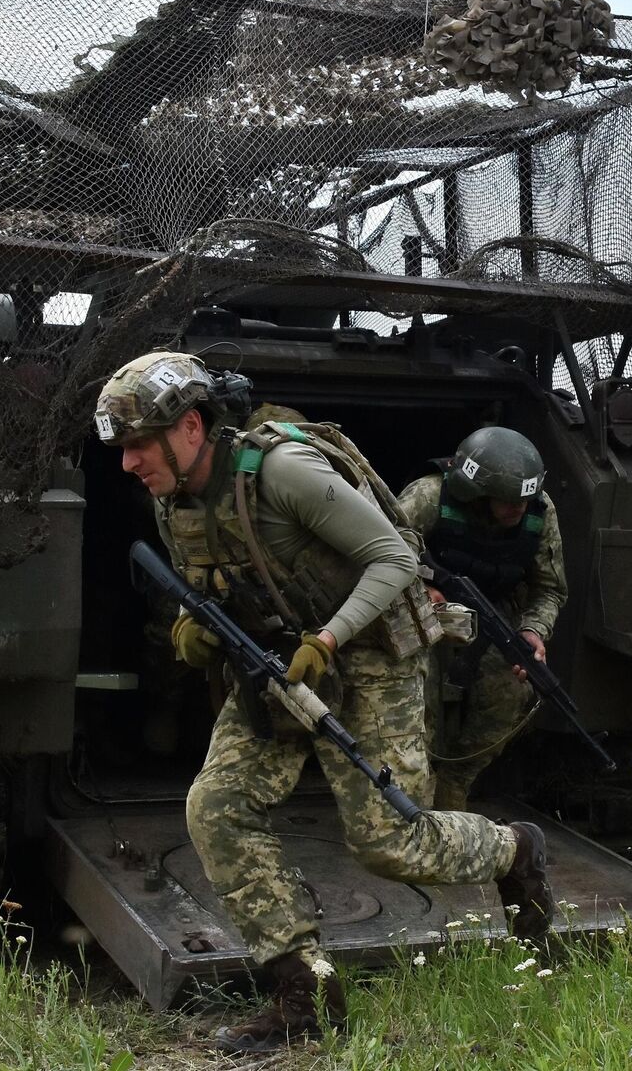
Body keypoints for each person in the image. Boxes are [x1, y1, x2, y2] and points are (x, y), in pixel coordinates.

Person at [94, 351, 555, 1052]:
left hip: (370, 655)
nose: (127, 463)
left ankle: (514, 851)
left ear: (190, 427)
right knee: (217, 807)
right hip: (278, 663)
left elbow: (395, 560)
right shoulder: (173, 497)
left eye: (136, 445)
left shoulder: (283, 472)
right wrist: (199, 624)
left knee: (387, 841)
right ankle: (304, 992)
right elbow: (218, 576)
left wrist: (330, 639)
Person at [397, 426, 569, 810]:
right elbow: (382, 549)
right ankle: (415, 796)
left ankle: (455, 784)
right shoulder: (428, 495)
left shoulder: (539, 511)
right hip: (417, 617)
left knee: (513, 691)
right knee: (417, 705)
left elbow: (549, 589)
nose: (518, 509)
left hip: (492, 618)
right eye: (506, 500)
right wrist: (418, 588)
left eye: (524, 499)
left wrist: (532, 630)